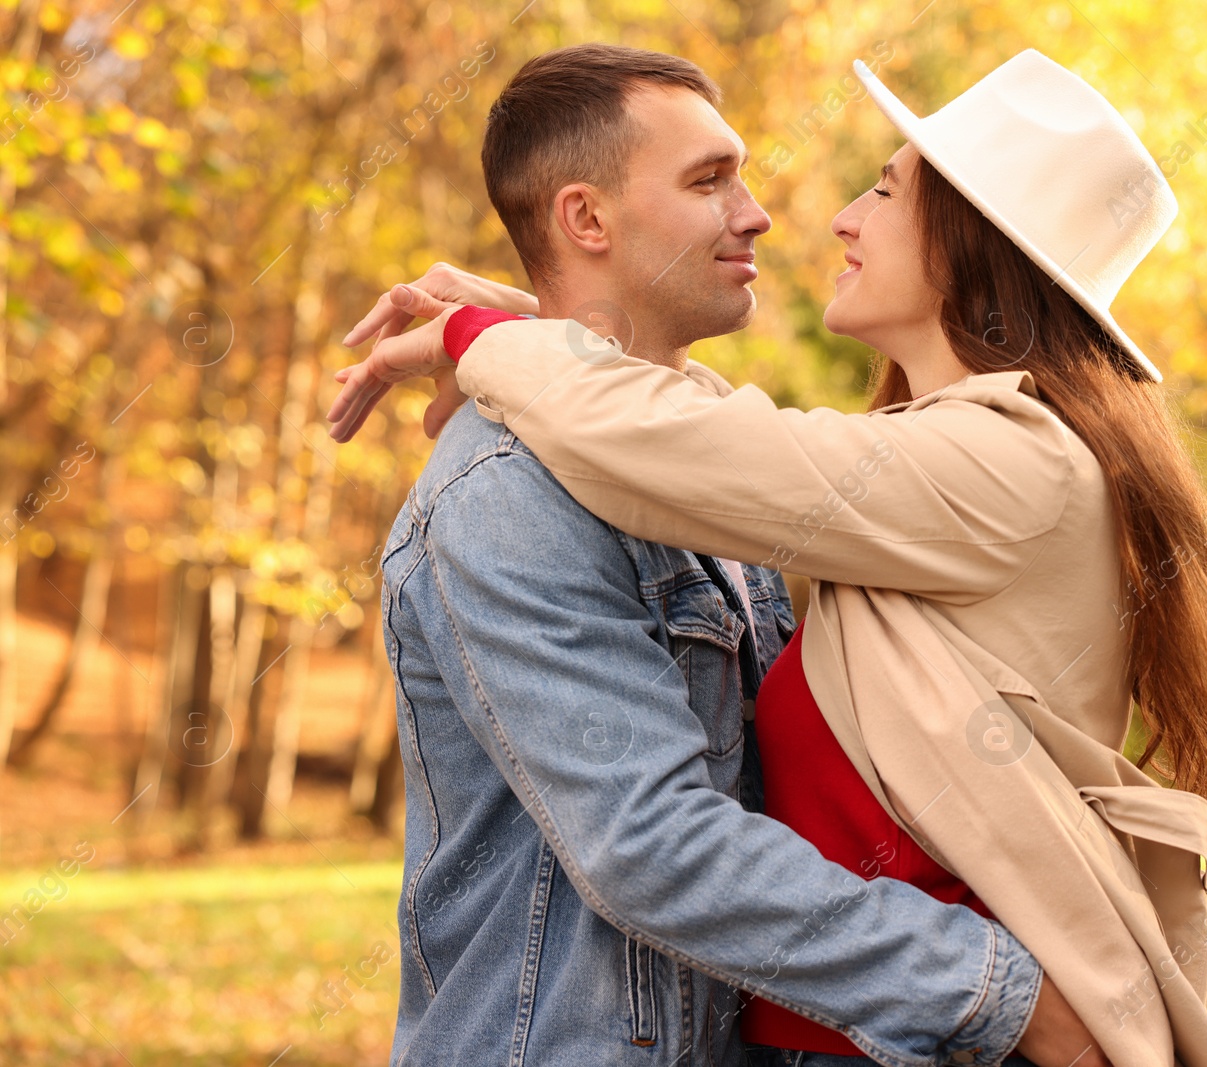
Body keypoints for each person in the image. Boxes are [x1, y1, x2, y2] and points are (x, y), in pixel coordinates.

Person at [333, 44, 1098, 1067]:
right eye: (708, 180)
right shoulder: (508, 489)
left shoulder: (712, 476)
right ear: (587, 220)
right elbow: (649, 844)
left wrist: (519, 334)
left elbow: (693, 433)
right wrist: (995, 993)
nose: (762, 212)